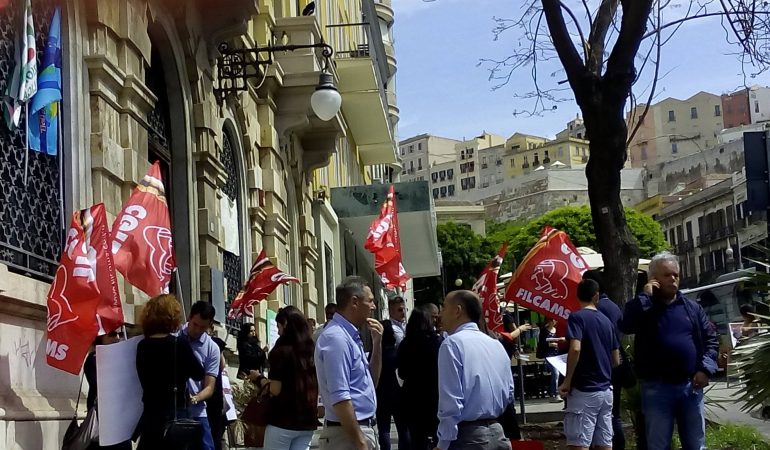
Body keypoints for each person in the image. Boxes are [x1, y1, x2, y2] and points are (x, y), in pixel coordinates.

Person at [620, 252, 719, 450]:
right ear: (654, 279)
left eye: (676, 275)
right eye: (667, 275)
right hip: (657, 389)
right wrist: (645, 296)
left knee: (696, 444)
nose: (673, 279)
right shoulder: (645, 307)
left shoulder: (692, 308)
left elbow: (711, 340)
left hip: (690, 386)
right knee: (658, 445)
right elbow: (626, 324)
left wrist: (706, 369)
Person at [435, 290, 513, 450]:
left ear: (457, 310)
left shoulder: (452, 344)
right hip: (498, 433)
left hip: (467, 437)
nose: (440, 314)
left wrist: (443, 443)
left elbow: (451, 402)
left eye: (444, 307)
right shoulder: (495, 344)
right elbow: (509, 392)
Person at [315, 276, 384, 450]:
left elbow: (370, 382)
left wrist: (377, 345)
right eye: (370, 301)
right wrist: (360, 442)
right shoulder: (337, 338)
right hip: (346, 436)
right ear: (354, 302)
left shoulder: (350, 336)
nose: (374, 307)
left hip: (358, 431)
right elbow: (340, 398)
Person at [135, 294, 205, 449]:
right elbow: (199, 373)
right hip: (175, 415)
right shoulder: (179, 344)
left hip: (151, 416)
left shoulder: (142, 346)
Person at [559, 279, 620, 450]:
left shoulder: (577, 317)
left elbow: (576, 348)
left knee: (579, 443)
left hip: (584, 389)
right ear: (596, 296)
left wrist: (567, 380)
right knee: (604, 443)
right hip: (606, 390)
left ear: (578, 296)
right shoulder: (607, 321)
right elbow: (615, 359)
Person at [248, 305, 318, 450]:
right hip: (307, 422)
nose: (278, 331)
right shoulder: (311, 350)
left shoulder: (281, 352)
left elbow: (275, 389)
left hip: (283, 420)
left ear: (285, 323)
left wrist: (258, 378)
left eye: (278, 326)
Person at [583, 269, 628, 450]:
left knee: (606, 415)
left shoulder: (597, 310)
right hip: (615, 364)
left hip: (603, 367)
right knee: (613, 412)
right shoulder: (613, 306)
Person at [397, 305, 443, 450]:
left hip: (412, 398)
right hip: (435, 397)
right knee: (439, 439)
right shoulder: (437, 342)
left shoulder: (405, 344)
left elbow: (402, 372)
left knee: (417, 440)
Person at [181, 301, 222, 450]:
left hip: (197, 410)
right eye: (194, 324)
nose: (197, 330)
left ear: (210, 324)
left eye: (202, 327)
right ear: (189, 318)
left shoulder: (212, 348)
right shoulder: (175, 336)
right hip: (174, 410)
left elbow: (210, 387)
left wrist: (195, 398)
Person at [84, 329, 131, 450]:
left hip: (121, 421)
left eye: (118, 334)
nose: (117, 338)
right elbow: (99, 386)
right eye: (112, 334)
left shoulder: (121, 359)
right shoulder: (92, 360)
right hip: (103, 421)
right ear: (100, 337)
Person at [376, 296, 411, 450]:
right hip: (388, 384)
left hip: (399, 384)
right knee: (385, 426)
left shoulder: (407, 327)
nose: (403, 312)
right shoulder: (388, 327)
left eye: (404, 309)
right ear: (391, 310)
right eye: (399, 309)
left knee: (403, 426)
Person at [206, 327, 228, 450]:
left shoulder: (215, 343)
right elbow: (222, 365)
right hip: (214, 392)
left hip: (210, 393)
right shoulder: (216, 343)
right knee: (215, 432)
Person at [537, 318, 564, 401]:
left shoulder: (557, 330)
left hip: (557, 354)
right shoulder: (544, 331)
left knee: (559, 373)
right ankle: (555, 393)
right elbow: (541, 343)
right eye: (552, 320)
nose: (554, 321)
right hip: (548, 354)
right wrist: (549, 345)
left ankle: (555, 392)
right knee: (555, 373)